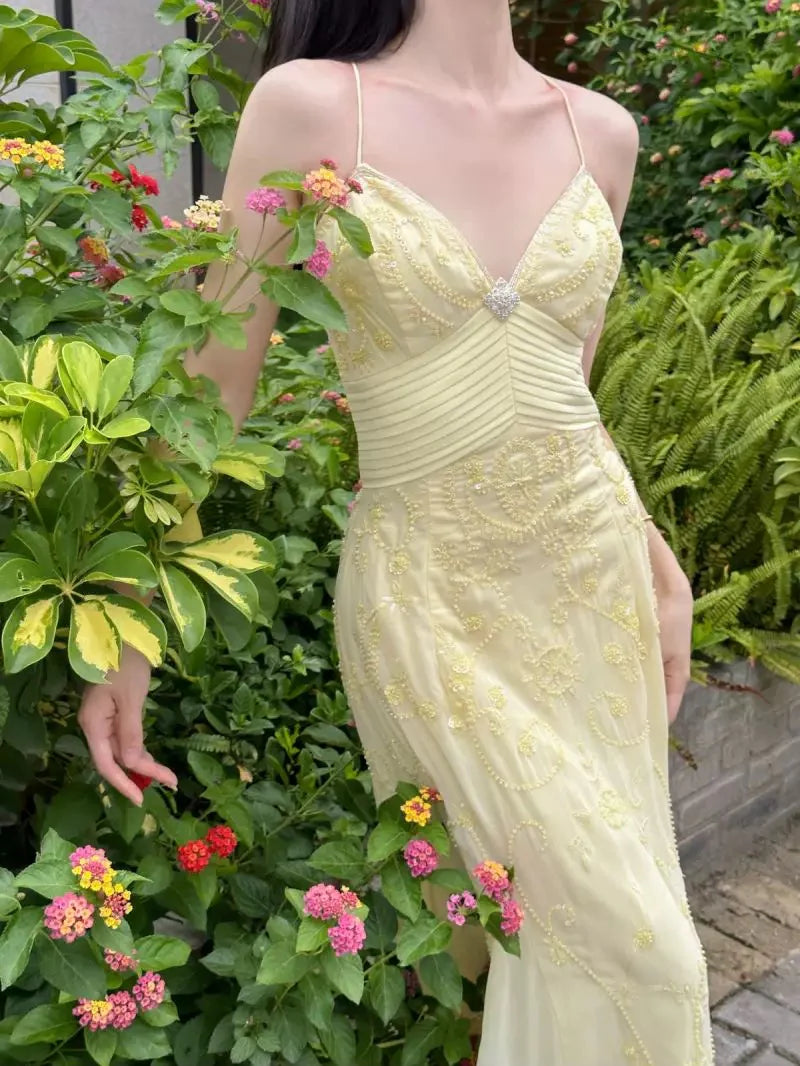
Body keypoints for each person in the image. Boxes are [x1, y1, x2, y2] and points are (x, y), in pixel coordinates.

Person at [78, 0, 715, 1062]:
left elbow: (564, 397)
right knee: (639, 958)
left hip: (590, 591)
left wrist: (659, 563)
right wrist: (126, 620)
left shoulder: (602, 132)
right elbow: (213, 388)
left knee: (522, 963)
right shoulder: (313, 108)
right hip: (429, 604)